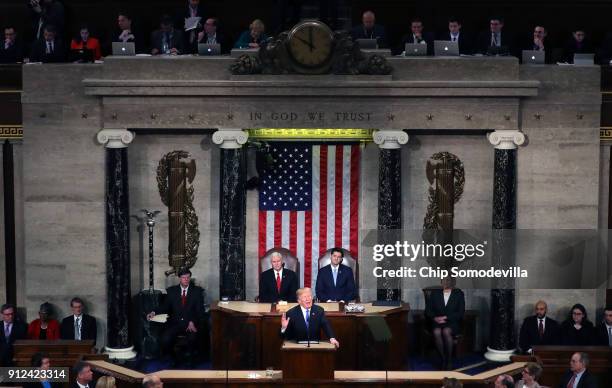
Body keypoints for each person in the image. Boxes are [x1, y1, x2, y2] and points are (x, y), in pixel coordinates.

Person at [147, 268, 204, 359]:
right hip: (175, 323)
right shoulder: (172, 291)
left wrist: (193, 321)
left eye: (188, 277)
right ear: (179, 278)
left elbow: (200, 311)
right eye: (183, 277)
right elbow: (165, 307)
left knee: (193, 339)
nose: (186, 280)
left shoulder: (197, 291)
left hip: (190, 323)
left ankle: (189, 361)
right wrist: (153, 312)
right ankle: (174, 358)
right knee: (165, 339)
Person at [425, 276, 465, 370]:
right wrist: (435, 318)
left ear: (453, 283)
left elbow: (460, 312)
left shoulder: (459, 294)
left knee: (446, 331)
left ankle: (449, 360)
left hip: (452, 322)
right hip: (437, 321)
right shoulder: (435, 294)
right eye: (444, 280)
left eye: (449, 280)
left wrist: (446, 317)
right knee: (436, 332)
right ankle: (443, 359)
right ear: (441, 282)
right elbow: (428, 310)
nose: (446, 282)